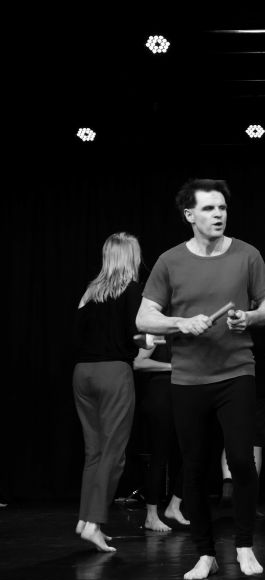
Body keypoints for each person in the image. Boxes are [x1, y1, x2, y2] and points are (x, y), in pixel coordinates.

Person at [136, 178, 265, 579]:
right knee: (194, 467)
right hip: (188, 380)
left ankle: (244, 546)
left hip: (236, 373)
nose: (218, 215)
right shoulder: (170, 261)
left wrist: (250, 317)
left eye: (222, 208)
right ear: (189, 215)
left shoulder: (248, 254)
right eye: (209, 208)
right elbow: (144, 318)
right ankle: (205, 554)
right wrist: (180, 322)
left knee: (241, 461)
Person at [72, 232, 142, 552]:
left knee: (95, 452)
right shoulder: (132, 290)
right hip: (113, 373)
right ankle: (94, 523)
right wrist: (154, 338)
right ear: (131, 256)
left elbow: (77, 333)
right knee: (114, 454)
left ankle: (84, 519)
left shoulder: (89, 291)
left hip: (82, 373)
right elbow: (137, 335)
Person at [221, 317, 265, 509]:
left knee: (231, 436)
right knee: (255, 442)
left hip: (233, 382)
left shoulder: (231, 319)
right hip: (259, 385)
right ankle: (249, 499)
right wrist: (264, 366)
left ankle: (227, 483)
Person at [134, 338, 189, 531]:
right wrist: (172, 366)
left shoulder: (190, 328)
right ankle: (151, 516)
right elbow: (139, 362)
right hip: (161, 392)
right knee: (160, 455)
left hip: (185, 392)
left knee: (194, 453)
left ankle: (174, 505)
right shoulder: (158, 329)